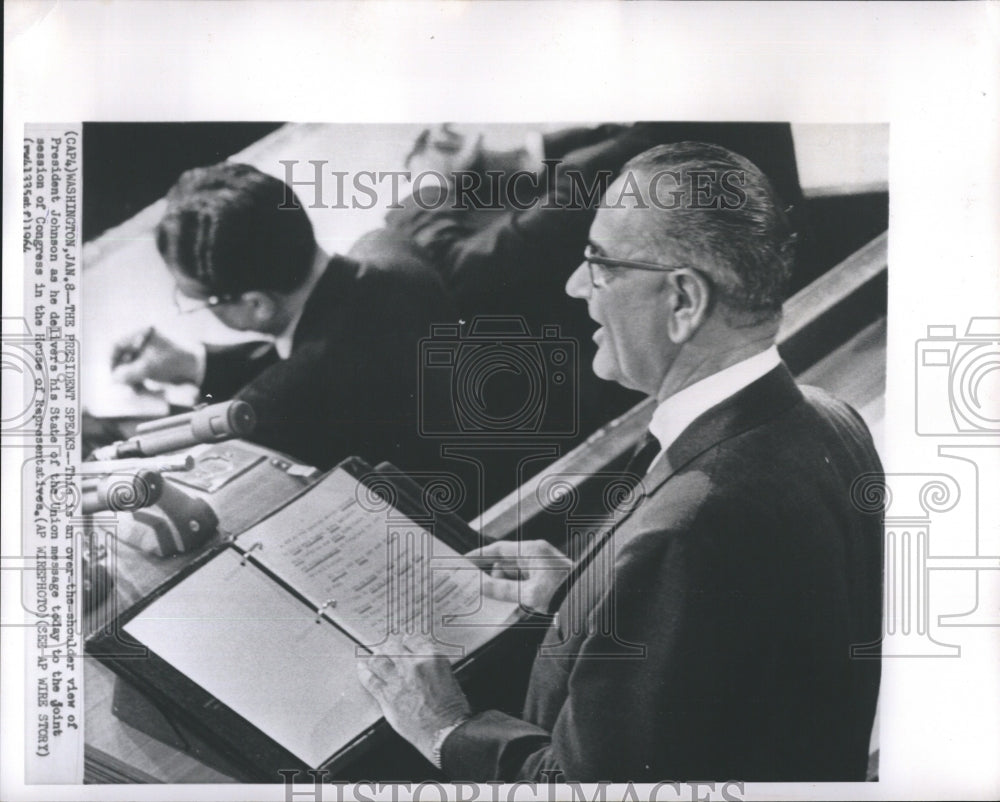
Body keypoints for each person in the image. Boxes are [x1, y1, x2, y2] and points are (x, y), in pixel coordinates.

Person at [356, 142, 884, 781]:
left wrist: (445, 726)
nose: (576, 286)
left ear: (683, 301)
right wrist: (582, 598)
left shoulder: (691, 528)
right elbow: (730, 661)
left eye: (599, 263)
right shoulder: (830, 419)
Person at [110, 162, 456, 472]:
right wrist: (193, 366)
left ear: (257, 304)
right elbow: (319, 345)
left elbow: (303, 375)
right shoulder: (388, 250)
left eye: (201, 299)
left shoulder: (273, 407)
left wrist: (152, 409)